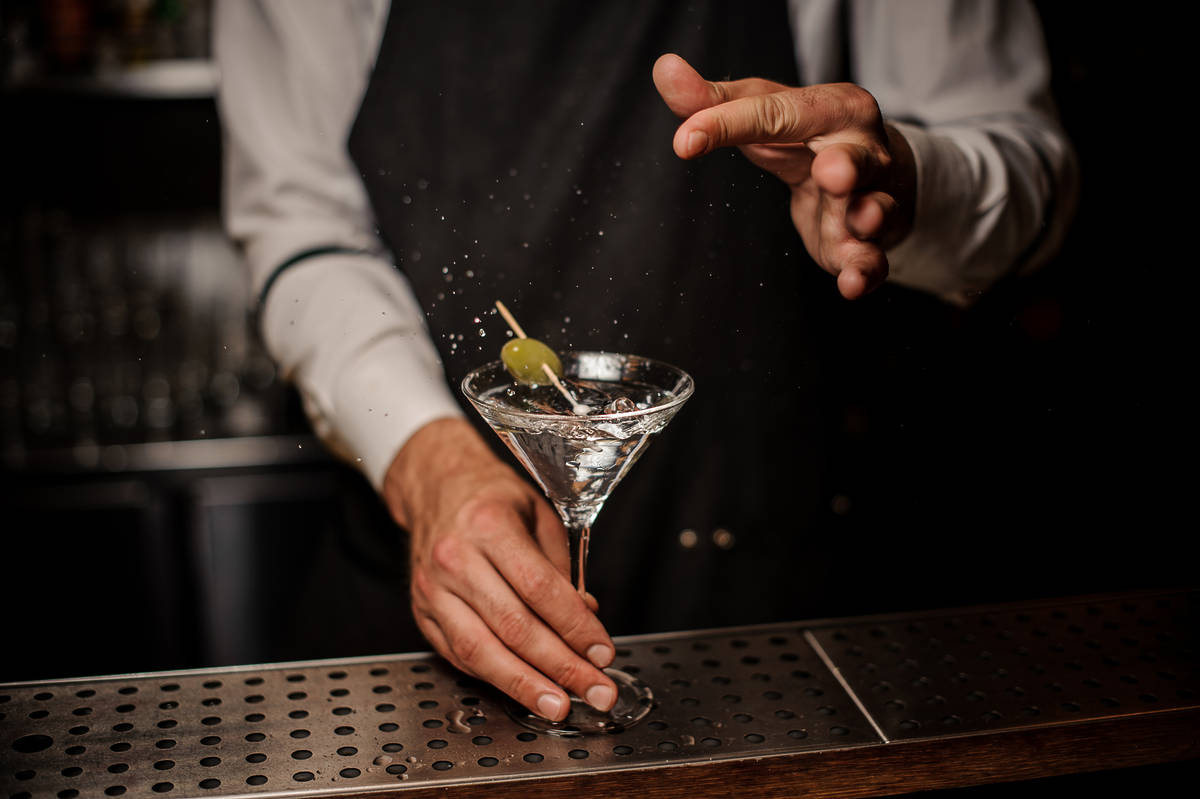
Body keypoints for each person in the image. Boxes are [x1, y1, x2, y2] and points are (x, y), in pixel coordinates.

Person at [215, 0, 1076, 723]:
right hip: (423, 592)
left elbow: (1030, 168)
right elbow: (298, 224)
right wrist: (424, 458)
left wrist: (911, 181)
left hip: (776, 588)